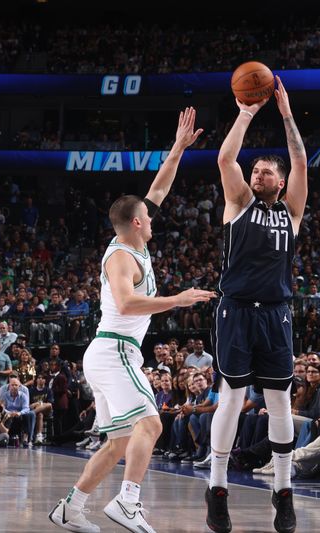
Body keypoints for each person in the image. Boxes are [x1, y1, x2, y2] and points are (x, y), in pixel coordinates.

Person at [49, 107, 213, 533]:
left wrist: (178, 147)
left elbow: (159, 186)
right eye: (149, 214)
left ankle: (71, 507)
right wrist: (176, 299)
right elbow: (124, 304)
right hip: (115, 350)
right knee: (153, 423)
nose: (154, 216)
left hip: (107, 353)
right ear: (138, 222)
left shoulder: (132, 236)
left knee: (120, 440)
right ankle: (128, 502)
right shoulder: (123, 255)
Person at [206, 77, 305, 533]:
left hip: (276, 313)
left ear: (281, 182)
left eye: (267, 171)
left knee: (280, 400)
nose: (258, 174)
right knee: (231, 398)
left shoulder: (292, 211)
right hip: (237, 310)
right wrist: (246, 112)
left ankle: (283, 493)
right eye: (256, 170)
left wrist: (285, 113)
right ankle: (218, 487)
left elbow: (301, 158)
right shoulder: (239, 202)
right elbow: (225, 157)